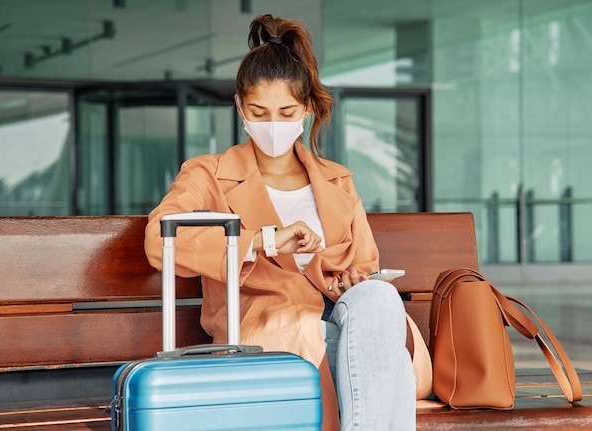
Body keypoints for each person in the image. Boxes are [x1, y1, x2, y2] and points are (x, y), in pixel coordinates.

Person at [144, 13, 416, 431]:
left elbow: (363, 266)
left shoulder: (337, 180)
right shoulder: (207, 174)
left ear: (306, 109)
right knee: (381, 356)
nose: (272, 124)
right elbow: (160, 237)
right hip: (267, 329)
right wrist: (264, 241)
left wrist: (346, 278)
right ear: (239, 106)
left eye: (286, 111)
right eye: (259, 111)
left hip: (341, 317)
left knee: (379, 301)